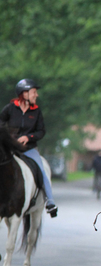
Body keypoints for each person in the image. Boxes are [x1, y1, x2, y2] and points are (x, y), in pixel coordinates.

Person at [0, 79, 58, 217]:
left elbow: (41, 131)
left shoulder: (36, 111)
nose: (36, 95)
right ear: (24, 94)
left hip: (29, 150)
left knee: (41, 170)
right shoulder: (9, 109)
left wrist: (28, 137)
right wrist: (10, 138)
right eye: (33, 92)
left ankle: (50, 201)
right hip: (10, 149)